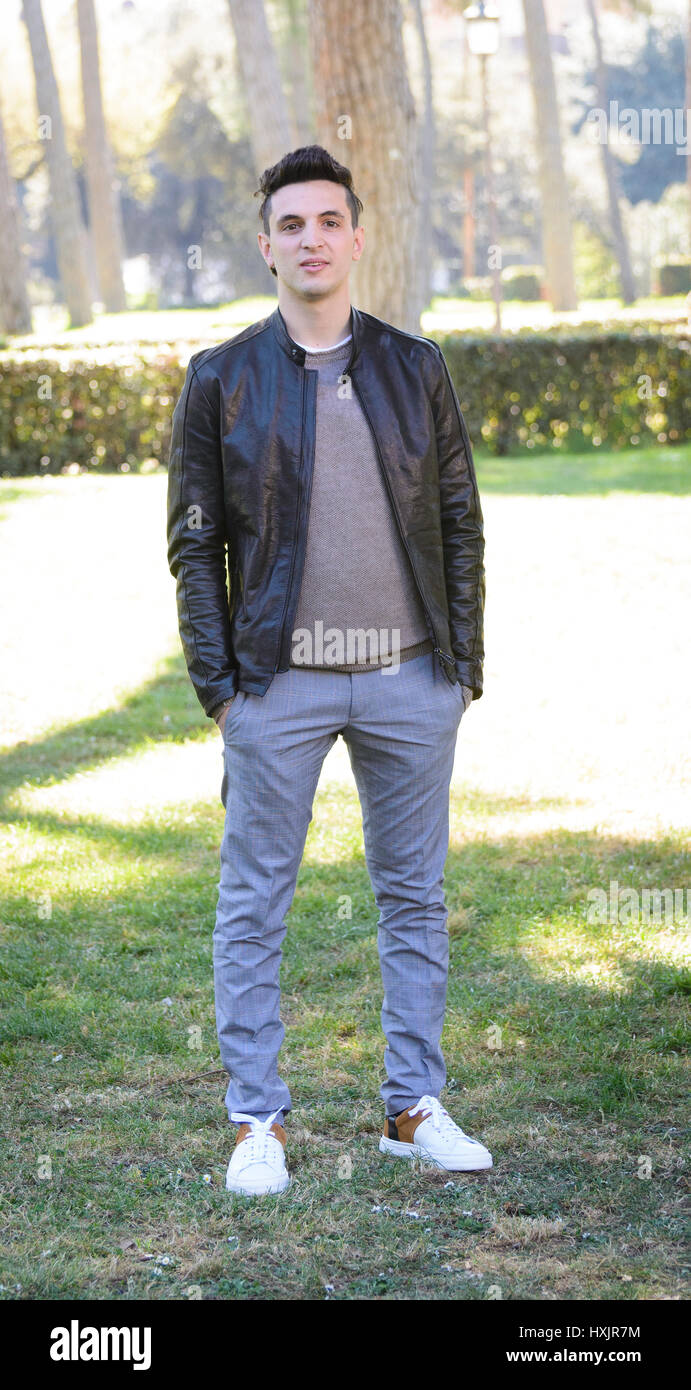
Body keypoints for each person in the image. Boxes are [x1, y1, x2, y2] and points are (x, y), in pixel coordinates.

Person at [167, 144, 491, 1197]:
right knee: (254, 901)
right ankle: (256, 1119)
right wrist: (222, 692)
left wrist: (461, 672)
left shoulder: (415, 367)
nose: (311, 239)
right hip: (277, 688)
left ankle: (412, 1108)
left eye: (327, 221)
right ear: (267, 247)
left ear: (356, 236)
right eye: (290, 225)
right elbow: (194, 543)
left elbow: (456, 521)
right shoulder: (220, 379)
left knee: (414, 897)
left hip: (410, 680)